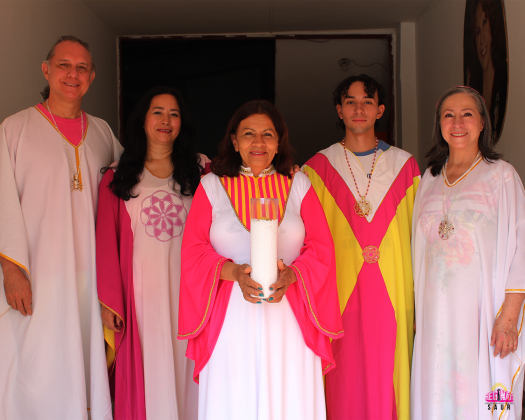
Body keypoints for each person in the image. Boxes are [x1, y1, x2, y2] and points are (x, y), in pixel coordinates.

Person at [178, 99, 343, 420]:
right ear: (234, 141)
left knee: (288, 398)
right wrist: (235, 273)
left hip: (290, 316)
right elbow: (193, 250)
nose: (258, 142)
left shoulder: (299, 184)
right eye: (248, 134)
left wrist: (292, 275)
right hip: (230, 319)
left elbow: (321, 248)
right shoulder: (211, 186)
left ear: (279, 142)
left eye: (268, 134)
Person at [0, 36, 122, 419]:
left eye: (82, 67)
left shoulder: (102, 133)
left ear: (92, 76)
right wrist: (11, 270)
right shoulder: (14, 129)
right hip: (34, 276)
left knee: (83, 360)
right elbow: (3, 202)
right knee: (34, 364)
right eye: (64, 65)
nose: (73, 74)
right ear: (46, 70)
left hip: (89, 279)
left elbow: (134, 184)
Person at [302, 74, 420, 420]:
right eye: (350, 102)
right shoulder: (316, 168)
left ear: (380, 110)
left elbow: (420, 235)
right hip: (339, 294)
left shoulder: (406, 166)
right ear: (339, 110)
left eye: (367, 102)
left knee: (390, 373)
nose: (359, 109)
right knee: (344, 379)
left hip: (394, 290)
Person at [411, 86, 525, 419]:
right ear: (439, 124)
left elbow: (521, 243)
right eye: (449, 115)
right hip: (435, 314)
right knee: (438, 389)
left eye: (467, 114)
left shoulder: (501, 175)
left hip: (484, 313)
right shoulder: (429, 178)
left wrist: (510, 315)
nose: (457, 122)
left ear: (482, 122)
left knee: (488, 393)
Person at [96, 86, 207, 419]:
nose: (166, 120)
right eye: (157, 112)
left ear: (182, 123)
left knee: (189, 366)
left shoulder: (203, 170)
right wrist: (109, 301)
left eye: (174, 114)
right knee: (150, 366)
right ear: (143, 120)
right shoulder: (118, 176)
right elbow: (106, 242)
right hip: (141, 294)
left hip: (190, 291)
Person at [464, 0, 508, 142]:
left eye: (484, 22)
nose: (482, 40)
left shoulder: (501, 87)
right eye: (477, 32)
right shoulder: (473, 94)